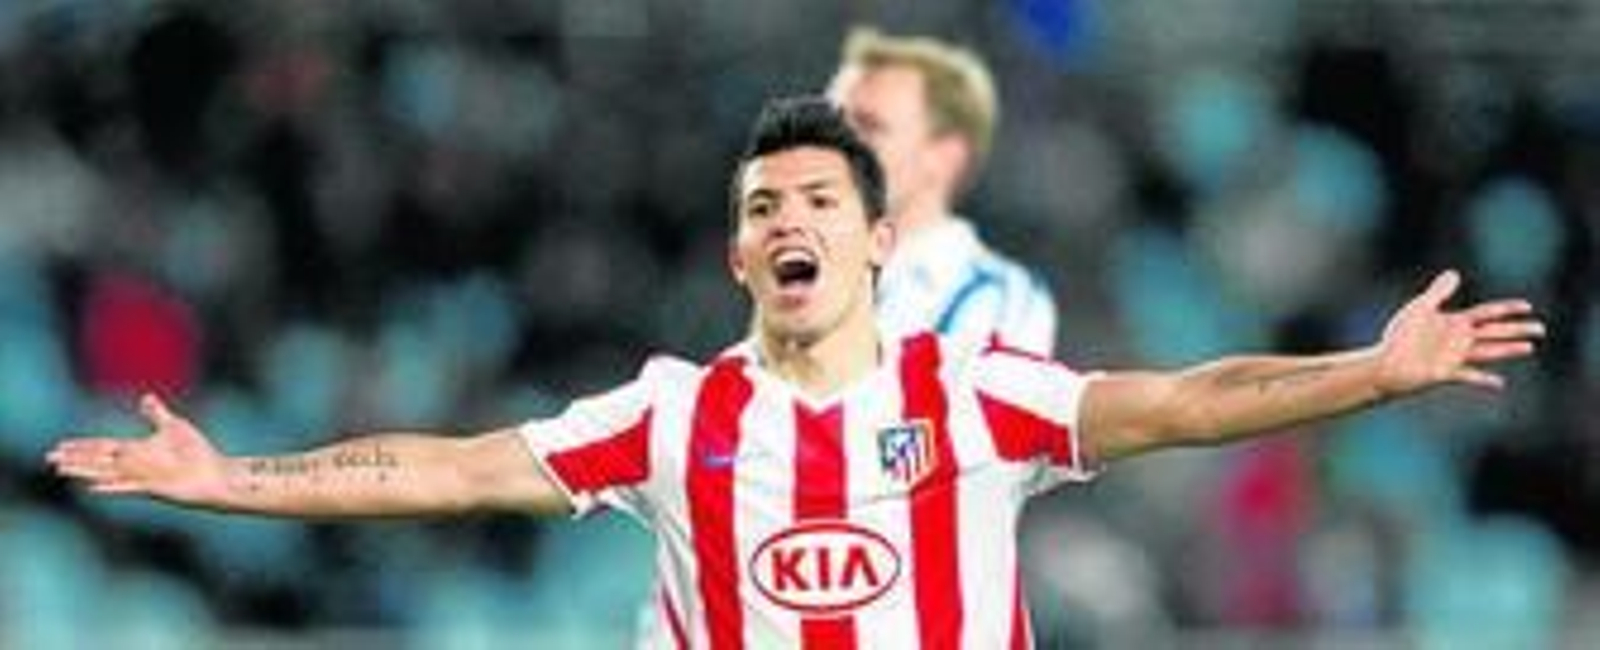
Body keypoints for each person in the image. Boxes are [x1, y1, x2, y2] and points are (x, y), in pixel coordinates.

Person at [49, 97, 1544, 649]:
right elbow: (440, 466)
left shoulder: (975, 393)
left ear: (880, 240)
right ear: (736, 256)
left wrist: (1374, 369)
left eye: (819, 200)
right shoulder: (665, 414)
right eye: (763, 206)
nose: (787, 221)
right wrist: (225, 474)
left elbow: (1182, 398)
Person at [829, 27, 1057, 354]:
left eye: (869, 126)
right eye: (830, 121)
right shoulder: (800, 274)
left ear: (944, 156)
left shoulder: (998, 297)